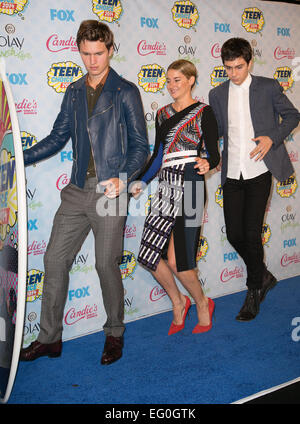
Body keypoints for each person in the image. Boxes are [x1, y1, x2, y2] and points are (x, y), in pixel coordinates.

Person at [20, 20, 149, 365]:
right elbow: (57, 137)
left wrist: (123, 178)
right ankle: (49, 339)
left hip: (111, 190)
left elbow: (141, 147)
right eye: (86, 53)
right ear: (79, 50)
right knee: (53, 260)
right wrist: (17, 156)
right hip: (77, 190)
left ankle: (114, 334)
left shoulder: (126, 91)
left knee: (106, 264)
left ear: (110, 50)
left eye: (99, 54)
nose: (92, 61)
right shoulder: (74, 90)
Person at [209, 38, 300, 321]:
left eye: (238, 67)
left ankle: (253, 292)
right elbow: (218, 130)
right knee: (235, 234)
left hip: (260, 171)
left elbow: (293, 115)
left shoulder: (269, 87)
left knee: (251, 234)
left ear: (249, 62)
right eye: (228, 68)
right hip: (232, 172)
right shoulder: (217, 93)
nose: (233, 73)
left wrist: (272, 137)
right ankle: (263, 275)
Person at [132, 60, 220, 334]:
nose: (171, 86)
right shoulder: (162, 114)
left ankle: (203, 303)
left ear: (191, 80)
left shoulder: (204, 111)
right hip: (166, 187)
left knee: (178, 262)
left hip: (192, 186)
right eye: (168, 80)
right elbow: (158, 155)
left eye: (177, 80)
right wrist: (141, 181)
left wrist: (209, 163)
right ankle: (178, 301)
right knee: (148, 255)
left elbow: (214, 153)